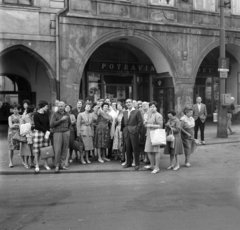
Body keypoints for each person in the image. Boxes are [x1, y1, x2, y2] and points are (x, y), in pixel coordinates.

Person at [121, 99, 143, 170]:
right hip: (126, 131)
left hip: (134, 131)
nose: (128, 103)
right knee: (127, 148)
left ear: (132, 103)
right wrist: (124, 130)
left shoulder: (137, 111)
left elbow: (140, 122)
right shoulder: (125, 112)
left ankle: (137, 164)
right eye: (126, 102)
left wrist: (136, 130)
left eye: (129, 102)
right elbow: (123, 123)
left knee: (135, 148)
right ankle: (128, 163)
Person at [50, 101, 71, 172]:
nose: (60, 107)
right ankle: (57, 165)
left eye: (61, 106)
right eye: (59, 106)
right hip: (57, 133)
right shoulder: (55, 114)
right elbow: (52, 124)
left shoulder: (67, 114)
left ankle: (63, 164)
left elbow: (69, 124)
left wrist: (68, 131)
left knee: (65, 149)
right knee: (58, 150)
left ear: (64, 107)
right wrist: (61, 120)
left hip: (66, 132)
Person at [144, 101, 163, 174]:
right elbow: (147, 123)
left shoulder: (158, 115)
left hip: (156, 134)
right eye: (151, 106)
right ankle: (152, 165)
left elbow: (160, 126)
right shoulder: (149, 115)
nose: (152, 108)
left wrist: (150, 125)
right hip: (149, 134)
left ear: (156, 107)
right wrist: (145, 123)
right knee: (148, 150)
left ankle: (157, 167)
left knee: (156, 151)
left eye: (153, 106)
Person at [32, 100, 51, 173]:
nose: (47, 108)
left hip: (46, 133)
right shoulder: (36, 115)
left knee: (46, 149)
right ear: (42, 106)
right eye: (46, 106)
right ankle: (37, 165)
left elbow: (48, 123)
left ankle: (46, 164)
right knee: (37, 150)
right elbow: (37, 125)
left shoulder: (46, 114)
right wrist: (45, 131)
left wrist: (48, 131)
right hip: (38, 133)